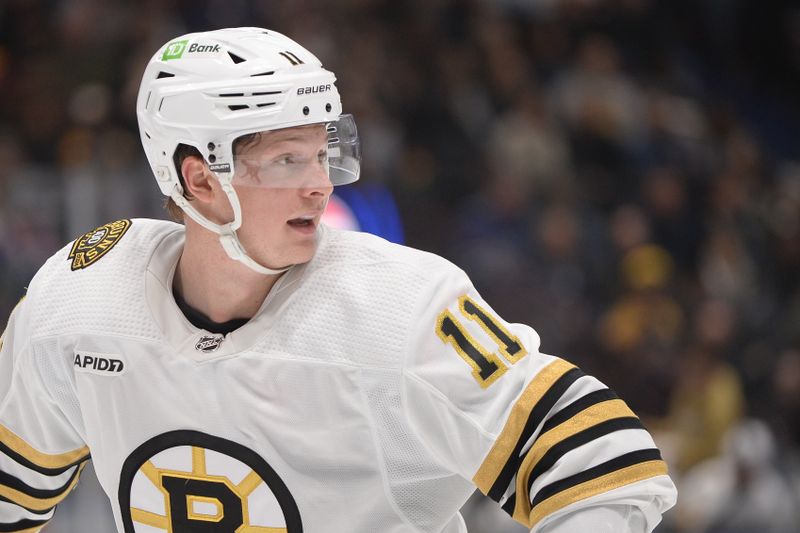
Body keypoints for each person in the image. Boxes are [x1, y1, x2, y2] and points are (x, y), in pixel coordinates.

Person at [0, 27, 676, 533]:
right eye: (288, 158)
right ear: (197, 177)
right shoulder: (82, 299)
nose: (320, 183)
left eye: (323, 151)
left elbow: (606, 461)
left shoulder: (396, 309)